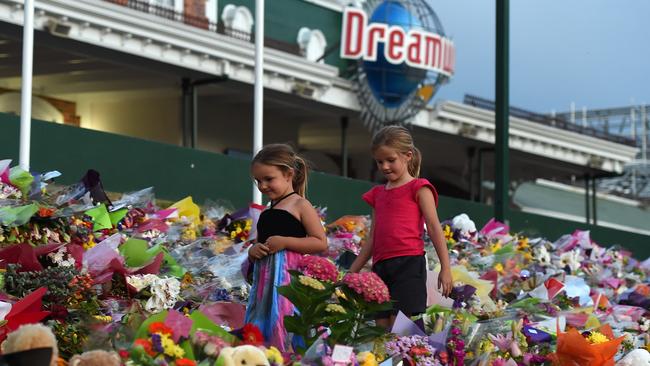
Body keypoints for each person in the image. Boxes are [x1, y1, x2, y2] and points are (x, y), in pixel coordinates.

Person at [349, 125, 453, 329]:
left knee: (403, 329)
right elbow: (374, 237)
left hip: (408, 266)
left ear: (408, 156)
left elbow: (433, 227)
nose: (385, 167)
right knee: (380, 329)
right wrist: (352, 272)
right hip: (380, 268)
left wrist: (446, 268)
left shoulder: (419, 188)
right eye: (380, 162)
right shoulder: (378, 194)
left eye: (391, 160)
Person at [244, 144, 327, 351]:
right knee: (262, 323)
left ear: (289, 174)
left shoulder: (300, 205)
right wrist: (252, 252)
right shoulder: (265, 213)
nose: (262, 186)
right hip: (264, 286)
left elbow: (320, 241)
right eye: (258, 181)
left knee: (285, 322)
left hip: (289, 281)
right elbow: (259, 244)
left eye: (269, 179)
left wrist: (285, 242)